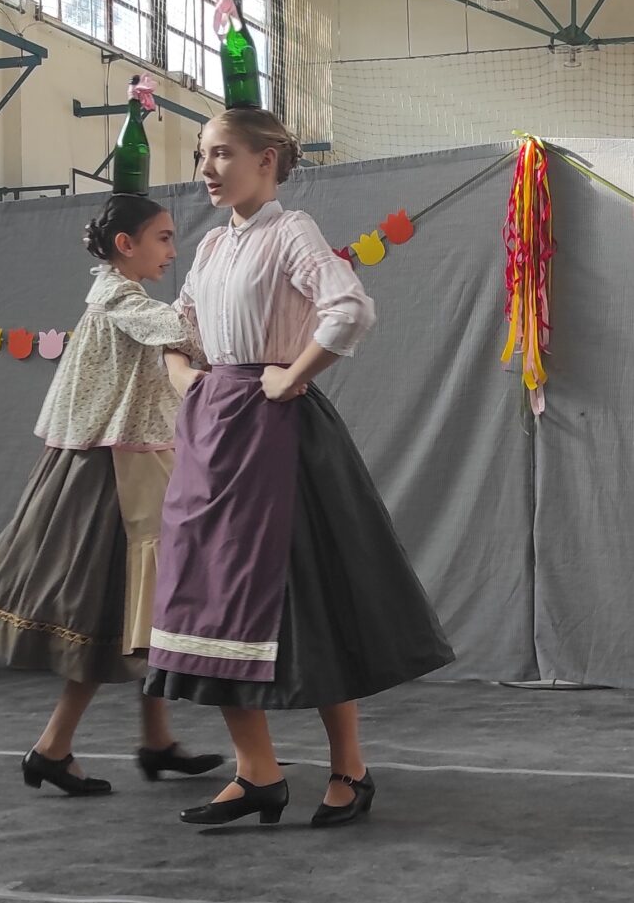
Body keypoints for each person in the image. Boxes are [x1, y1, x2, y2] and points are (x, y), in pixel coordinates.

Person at [145, 108, 455, 826]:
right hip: (213, 434)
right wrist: (182, 374)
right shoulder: (212, 246)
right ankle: (257, 772)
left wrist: (293, 374)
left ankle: (349, 767)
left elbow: (349, 309)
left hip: (277, 436)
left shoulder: (291, 232)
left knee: (309, 599)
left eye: (222, 153)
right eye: (202, 155)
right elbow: (178, 324)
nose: (206, 169)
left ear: (267, 159)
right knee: (208, 598)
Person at [0, 194, 223, 796]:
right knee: (118, 613)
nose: (173, 250)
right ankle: (53, 748)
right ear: (126, 245)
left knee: (147, 612)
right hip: (117, 474)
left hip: (138, 462)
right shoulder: (119, 299)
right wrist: (224, 296)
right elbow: (182, 332)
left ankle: (155, 741)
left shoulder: (120, 297)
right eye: (163, 238)